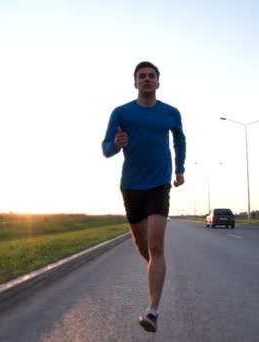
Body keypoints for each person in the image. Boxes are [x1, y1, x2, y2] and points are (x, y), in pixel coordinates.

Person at [102, 61, 186, 333]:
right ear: (135, 82)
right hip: (131, 186)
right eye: (142, 76)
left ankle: (152, 311)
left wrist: (180, 168)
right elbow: (105, 149)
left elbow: (180, 140)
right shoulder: (122, 113)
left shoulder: (171, 113)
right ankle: (156, 271)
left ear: (158, 82)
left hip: (160, 184)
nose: (147, 80)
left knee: (156, 244)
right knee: (142, 245)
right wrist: (117, 144)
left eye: (152, 76)